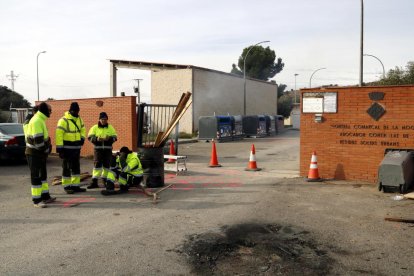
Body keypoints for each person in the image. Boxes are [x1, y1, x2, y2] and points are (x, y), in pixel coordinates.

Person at [25, 102, 55, 208]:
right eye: (50, 110)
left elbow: (43, 139)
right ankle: (37, 200)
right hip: (34, 153)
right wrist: (47, 150)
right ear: (45, 110)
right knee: (36, 176)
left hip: (39, 153)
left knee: (42, 176)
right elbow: (38, 142)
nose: (51, 113)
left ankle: (45, 196)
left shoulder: (40, 119)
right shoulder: (37, 120)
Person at [56, 102, 86, 194]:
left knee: (76, 168)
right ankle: (67, 186)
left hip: (76, 148)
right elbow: (59, 135)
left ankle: (75, 186)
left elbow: (83, 130)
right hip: (67, 149)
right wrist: (60, 149)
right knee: (67, 168)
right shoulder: (63, 120)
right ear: (70, 110)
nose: (76, 113)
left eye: (77, 111)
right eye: (75, 111)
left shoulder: (80, 119)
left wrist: (82, 139)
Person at [87, 112, 117, 189]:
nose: (104, 121)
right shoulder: (94, 127)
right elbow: (89, 137)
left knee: (107, 166)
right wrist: (97, 139)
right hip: (98, 150)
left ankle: (105, 180)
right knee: (97, 165)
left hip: (108, 150)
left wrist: (109, 139)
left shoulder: (110, 127)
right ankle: (94, 182)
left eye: (105, 119)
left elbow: (115, 137)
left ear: (107, 120)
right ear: (99, 119)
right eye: (102, 119)